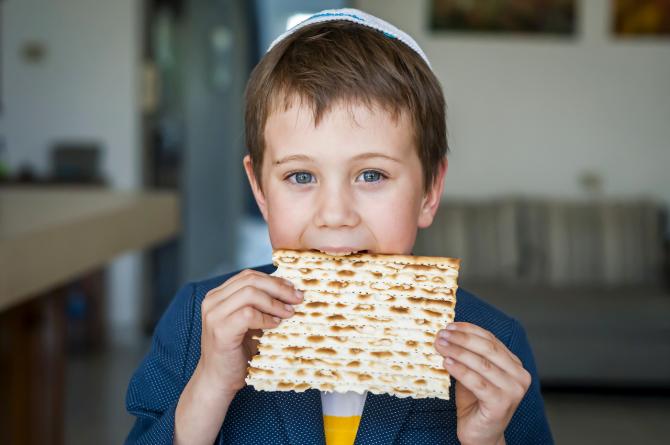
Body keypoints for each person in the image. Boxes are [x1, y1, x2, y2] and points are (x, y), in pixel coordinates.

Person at [125, 8, 554, 445]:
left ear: (429, 191)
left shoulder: (495, 346)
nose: (335, 214)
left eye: (371, 175)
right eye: (301, 177)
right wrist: (209, 386)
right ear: (260, 191)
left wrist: (487, 439)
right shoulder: (199, 323)